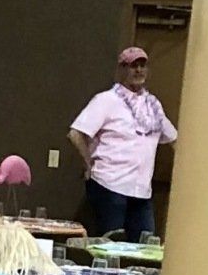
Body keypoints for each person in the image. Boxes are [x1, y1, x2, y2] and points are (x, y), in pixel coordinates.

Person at [69, 45, 176, 240]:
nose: (138, 70)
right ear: (122, 70)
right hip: (110, 184)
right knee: (110, 244)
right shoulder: (106, 100)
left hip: (142, 189)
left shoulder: (153, 105)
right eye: (133, 66)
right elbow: (76, 133)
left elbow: (173, 138)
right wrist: (88, 163)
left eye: (142, 65)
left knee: (145, 245)